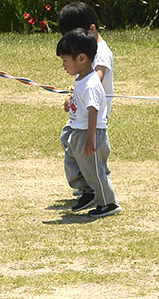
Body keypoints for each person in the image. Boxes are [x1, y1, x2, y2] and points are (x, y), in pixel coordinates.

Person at [58, 28, 121, 218]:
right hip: (79, 132)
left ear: (82, 58)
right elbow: (83, 103)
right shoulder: (80, 79)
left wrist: (90, 138)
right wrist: (71, 102)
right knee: (73, 163)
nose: (64, 66)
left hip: (90, 133)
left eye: (65, 61)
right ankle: (90, 192)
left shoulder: (92, 83)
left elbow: (93, 111)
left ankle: (108, 203)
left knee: (95, 171)